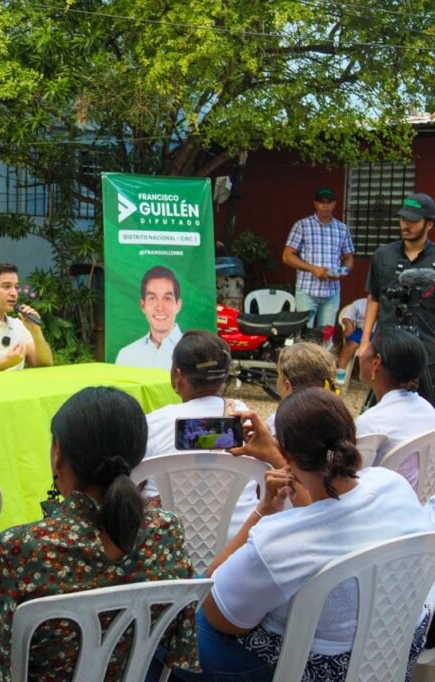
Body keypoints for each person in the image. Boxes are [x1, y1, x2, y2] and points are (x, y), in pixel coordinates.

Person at [0, 386, 199, 681]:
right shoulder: (167, 532)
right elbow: (178, 641)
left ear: (58, 455)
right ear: (138, 455)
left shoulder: (21, 549)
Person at [161, 388, 431, 681]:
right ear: (350, 437)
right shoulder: (393, 485)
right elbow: (327, 516)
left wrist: (264, 509)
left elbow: (215, 610)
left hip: (311, 671)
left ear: (288, 452)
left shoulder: (277, 543)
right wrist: (279, 458)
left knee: (171, 620)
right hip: (391, 657)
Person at [141, 331, 257, 539]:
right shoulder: (247, 418)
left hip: (166, 544)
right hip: (239, 540)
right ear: (224, 374)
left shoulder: (153, 424)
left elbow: (133, 484)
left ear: (178, 375)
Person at [361, 193, 435, 405]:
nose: (405, 225)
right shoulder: (383, 255)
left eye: (413, 220)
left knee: (427, 409)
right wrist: (365, 341)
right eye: (403, 219)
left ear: (429, 224)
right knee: (382, 407)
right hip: (387, 348)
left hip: (428, 349)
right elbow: (374, 298)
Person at [356, 328, 435, 489]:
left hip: (381, 502)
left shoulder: (371, 423)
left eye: (368, 347)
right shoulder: (428, 409)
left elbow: (348, 478)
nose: (361, 354)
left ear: (376, 362)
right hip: (419, 500)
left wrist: (328, 451)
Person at [281, 188, 355, 331]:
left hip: (332, 293)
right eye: (322, 202)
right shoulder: (302, 225)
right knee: (304, 335)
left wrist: (342, 272)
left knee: (326, 336)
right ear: (315, 204)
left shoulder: (342, 229)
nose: (325, 206)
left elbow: (349, 257)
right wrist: (313, 269)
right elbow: (287, 256)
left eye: (329, 202)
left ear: (334, 204)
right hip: (307, 291)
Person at [115, 265, 184, 371]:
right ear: (143, 306)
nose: (159, 307)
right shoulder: (126, 356)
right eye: (152, 298)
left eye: (167, 298)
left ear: (178, 305)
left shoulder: (196, 353)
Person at [336, 296, 367, 385]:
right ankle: (339, 375)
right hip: (360, 330)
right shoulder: (359, 303)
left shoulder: (386, 305)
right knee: (351, 344)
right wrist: (348, 324)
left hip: (378, 331)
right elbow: (346, 317)